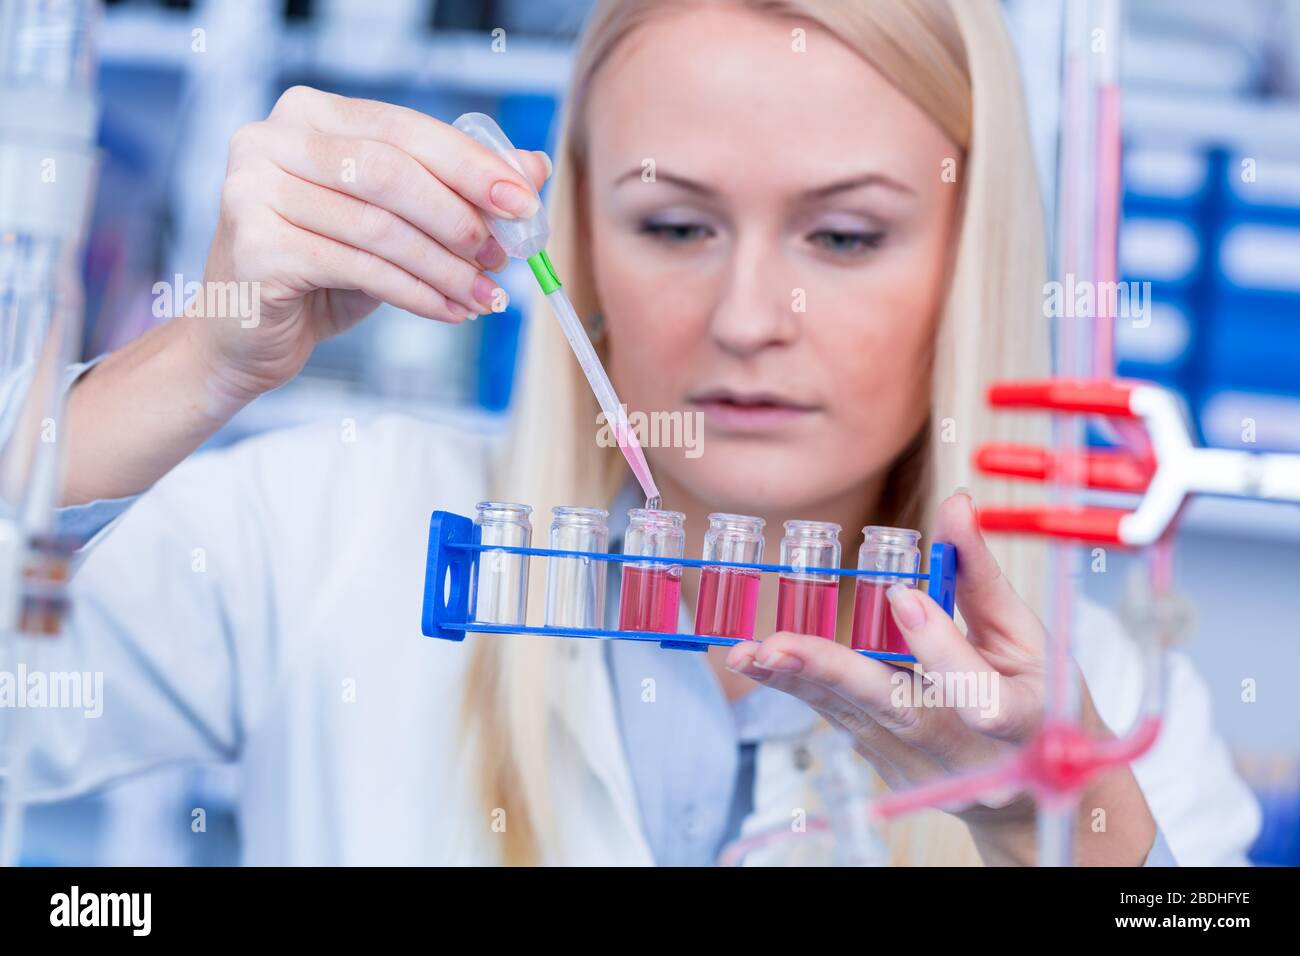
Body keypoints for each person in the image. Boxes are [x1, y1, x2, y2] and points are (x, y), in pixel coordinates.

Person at [4, 0, 1259, 865]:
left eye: (846, 234)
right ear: (573, 238)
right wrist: (193, 361)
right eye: (675, 226)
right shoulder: (329, 529)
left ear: (966, 256)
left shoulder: (1111, 701)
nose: (751, 316)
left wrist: (1064, 819)